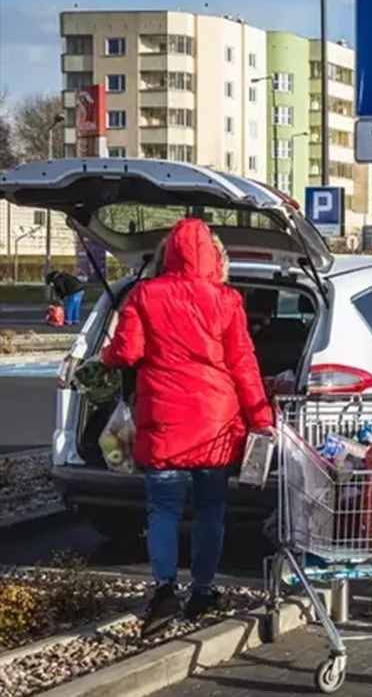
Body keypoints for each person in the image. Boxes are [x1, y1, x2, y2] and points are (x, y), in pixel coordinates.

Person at [100, 218, 272, 639]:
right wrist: (261, 417)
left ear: (167, 254)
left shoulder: (144, 294)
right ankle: (203, 590)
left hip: (163, 422)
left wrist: (105, 357)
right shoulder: (227, 300)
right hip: (215, 425)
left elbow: (127, 352)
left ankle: (163, 591)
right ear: (214, 257)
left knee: (162, 510)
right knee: (211, 512)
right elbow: (243, 364)